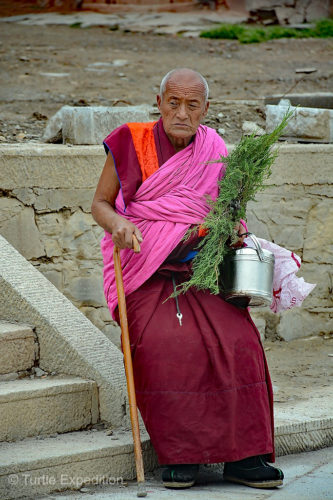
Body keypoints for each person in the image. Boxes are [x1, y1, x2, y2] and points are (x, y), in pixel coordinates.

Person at [91, 68, 284, 490]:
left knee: (241, 342)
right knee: (168, 346)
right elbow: (101, 204)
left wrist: (231, 229)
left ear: (206, 109)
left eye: (192, 104)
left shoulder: (214, 150)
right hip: (147, 271)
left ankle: (246, 456)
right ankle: (182, 457)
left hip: (200, 270)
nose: (181, 112)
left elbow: (227, 211)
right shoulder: (130, 141)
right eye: (173, 102)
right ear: (157, 102)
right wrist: (118, 224)